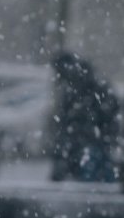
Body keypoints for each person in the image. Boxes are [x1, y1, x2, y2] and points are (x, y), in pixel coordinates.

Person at [49, 52, 118, 182]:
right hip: (91, 141)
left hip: (87, 141)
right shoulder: (85, 84)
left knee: (91, 174)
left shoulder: (78, 87)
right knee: (98, 175)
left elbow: (69, 118)